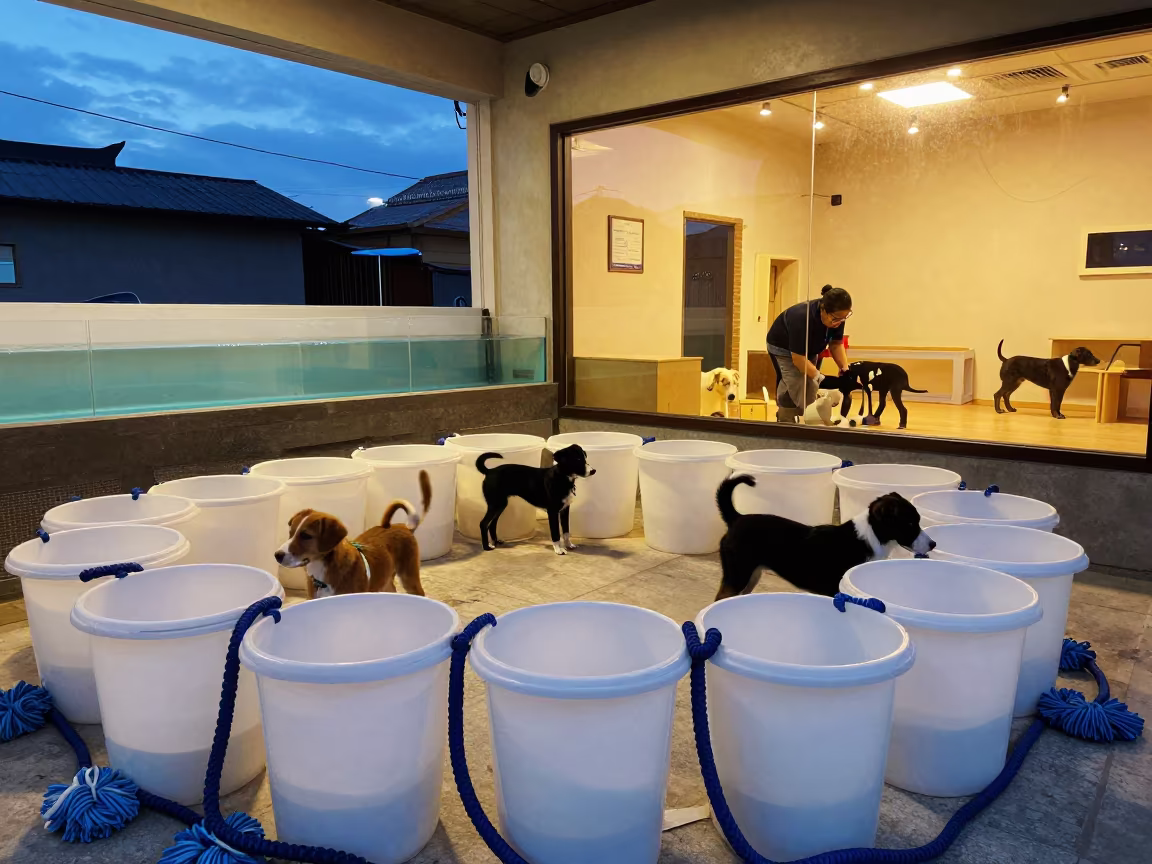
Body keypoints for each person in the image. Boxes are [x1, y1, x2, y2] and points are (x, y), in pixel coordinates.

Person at [765, 284, 852, 423]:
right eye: (836, 319)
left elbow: (835, 345)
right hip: (783, 348)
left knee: (811, 385)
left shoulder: (837, 317)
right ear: (823, 310)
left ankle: (809, 418)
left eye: (844, 318)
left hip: (810, 349)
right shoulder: (801, 317)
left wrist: (846, 370)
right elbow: (798, 360)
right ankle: (786, 418)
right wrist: (822, 378)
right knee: (795, 382)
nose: (839, 322)